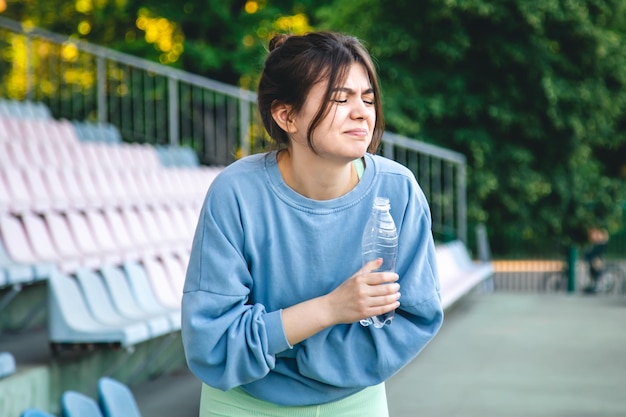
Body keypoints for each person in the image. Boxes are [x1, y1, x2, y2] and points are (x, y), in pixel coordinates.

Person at [181, 31, 444, 417]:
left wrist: (293, 353)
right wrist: (331, 308)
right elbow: (212, 342)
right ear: (285, 114)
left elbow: (416, 318)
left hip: (355, 402)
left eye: (367, 98)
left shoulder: (399, 191)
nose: (362, 112)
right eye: (340, 98)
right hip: (240, 403)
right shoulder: (235, 194)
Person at [582, 227, 609, 294]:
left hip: (597, 257)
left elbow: (598, 252)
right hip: (595, 256)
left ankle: (598, 285)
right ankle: (594, 284)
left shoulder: (601, 242)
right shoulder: (597, 243)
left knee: (596, 267)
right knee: (592, 268)